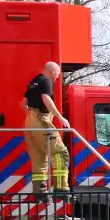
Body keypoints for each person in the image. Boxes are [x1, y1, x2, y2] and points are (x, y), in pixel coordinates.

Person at [21, 62, 70, 198]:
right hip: (41, 120)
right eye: (58, 74)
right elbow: (46, 98)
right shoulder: (46, 80)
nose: (57, 78)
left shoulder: (34, 81)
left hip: (29, 122)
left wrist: (31, 116)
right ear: (53, 71)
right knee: (60, 153)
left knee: (39, 157)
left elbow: (23, 103)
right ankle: (61, 190)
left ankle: (40, 193)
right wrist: (61, 118)